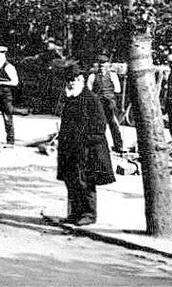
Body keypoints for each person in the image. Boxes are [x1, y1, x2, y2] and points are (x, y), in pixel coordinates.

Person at [56, 64, 115, 225]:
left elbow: (100, 125)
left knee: (85, 181)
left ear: (81, 80)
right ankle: (75, 213)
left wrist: (84, 141)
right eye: (68, 80)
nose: (71, 83)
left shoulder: (91, 99)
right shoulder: (71, 99)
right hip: (70, 150)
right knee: (72, 180)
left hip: (88, 150)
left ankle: (89, 214)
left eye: (74, 79)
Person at [86, 55, 123, 153]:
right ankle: (99, 146)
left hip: (110, 102)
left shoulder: (112, 75)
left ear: (108, 64)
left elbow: (118, 90)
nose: (102, 65)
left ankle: (119, 146)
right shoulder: (92, 76)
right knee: (98, 124)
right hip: (98, 103)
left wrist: (111, 98)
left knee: (114, 124)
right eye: (100, 63)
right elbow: (88, 91)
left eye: (104, 63)